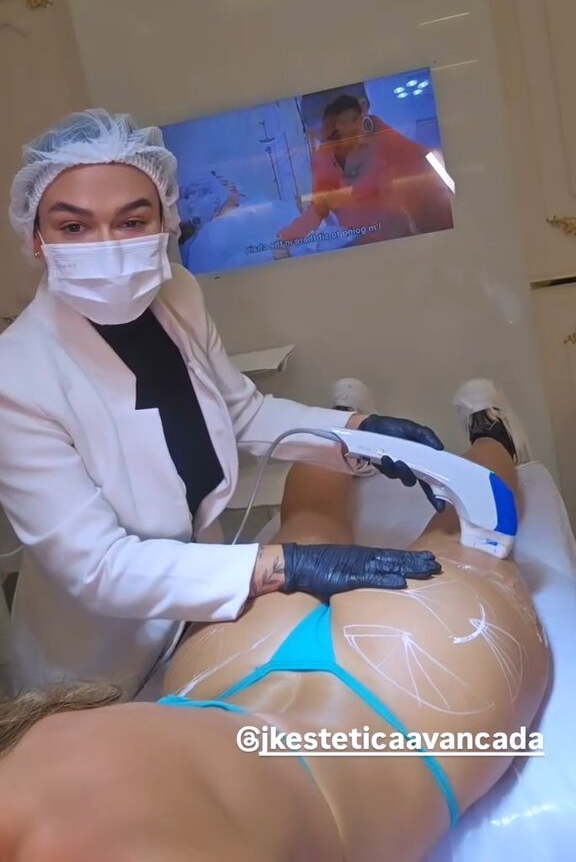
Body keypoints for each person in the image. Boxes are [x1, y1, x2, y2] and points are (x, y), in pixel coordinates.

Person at [0, 382, 549, 862]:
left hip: (269, 691)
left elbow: (242, 410)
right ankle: (485, 436)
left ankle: (362, 433)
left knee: (332, 529)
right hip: (326, 706)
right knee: (459, 531)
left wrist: (345, 432)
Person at [0, 109, 444, 698]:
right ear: (37, 238)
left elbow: (243, 412)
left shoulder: (177, 294)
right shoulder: (16, 376)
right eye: (74, 226)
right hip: (96, 662)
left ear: (165, 222)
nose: (107, 246)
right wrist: (284, 565)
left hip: (201, 613)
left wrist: (362, 434)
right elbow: (98, 567)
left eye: (132, 221)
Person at [278, 94, 454, 249]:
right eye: (321, 135)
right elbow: (319, 207)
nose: (331, 142)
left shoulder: (393, 146)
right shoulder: (323, 157)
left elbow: (439, 199)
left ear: (361, 110)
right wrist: (286, 239)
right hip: (361, 247)